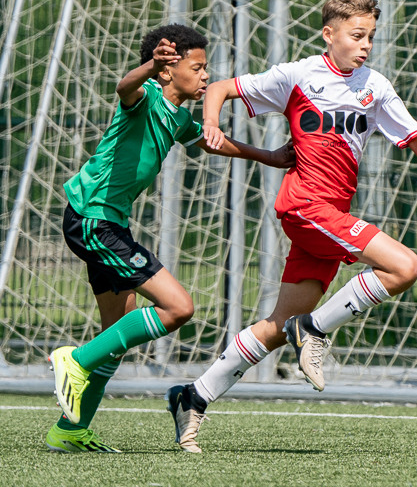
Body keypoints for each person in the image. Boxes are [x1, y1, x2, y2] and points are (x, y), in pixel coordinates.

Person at [165, 0, 417, 453]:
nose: (365, 44)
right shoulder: (298, 75)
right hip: (305, 204)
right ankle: (316, 329)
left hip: (329, 216)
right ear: (329, 34)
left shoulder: (376, 87)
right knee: (404, 267)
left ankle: (194, 396)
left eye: (371, 36)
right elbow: (220, 88)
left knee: (277, 324)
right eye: (356, 35)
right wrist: (211, 123)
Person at [45, 24, 294, 453]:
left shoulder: (179, 117)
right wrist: (149, 67)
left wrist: (270, 157)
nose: (204, 76)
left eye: (205, 68)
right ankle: (74, 360)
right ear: (166, 70)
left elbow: (212, 143)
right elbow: (124, 87)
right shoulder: (146, 99)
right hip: (92, 219)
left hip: (108, 224)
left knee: (115, 336)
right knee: (179, 307)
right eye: (196, 68)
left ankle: (70, 431)